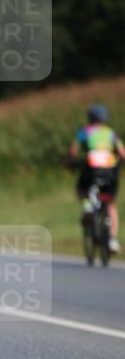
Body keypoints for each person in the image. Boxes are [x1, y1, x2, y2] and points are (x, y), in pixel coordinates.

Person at [65, 104, 124, 253]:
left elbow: (73, 151)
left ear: (90, 117)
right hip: (110, 170)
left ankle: (88, 206)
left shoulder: (85, 131)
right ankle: (112, 240)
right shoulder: (111, 133)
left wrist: (69, 161)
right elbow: (122, 153)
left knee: (82, 188)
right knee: (110, 203)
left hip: (91, 169)